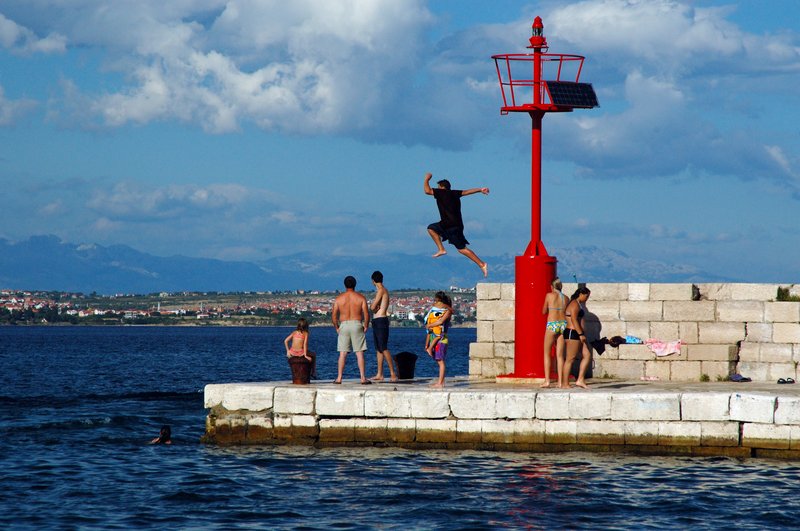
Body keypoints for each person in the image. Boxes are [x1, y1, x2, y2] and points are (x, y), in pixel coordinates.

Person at [423, 172, 490, 277]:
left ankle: (482, 264)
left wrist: (427, 179)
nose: (436, 189)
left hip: (452, 226)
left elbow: (427, 191)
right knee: (431, 228)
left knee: (462, 249)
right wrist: (480, 189)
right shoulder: (454, 193)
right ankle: (441, 249)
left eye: (437, 187)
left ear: (441, 187)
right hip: (449, 224)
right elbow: (467, 192)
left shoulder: (441, 192)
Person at [331, 275, 371, 385]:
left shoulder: (339, 299)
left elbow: (334, 315)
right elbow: (366, 314)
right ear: (355, 284)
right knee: (359, 353)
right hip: (357, 323)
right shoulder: (361, 298)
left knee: (342, 353)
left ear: (344, 285)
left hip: (343, 324)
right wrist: (366, 325)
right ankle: (362, 378)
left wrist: (337, 327)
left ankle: (339, 378)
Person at [369, 271, 397, 382]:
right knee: (378, 349)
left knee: (383, 347)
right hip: (377, 320)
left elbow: (372, 306)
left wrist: (373, 307)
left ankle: (392, 373)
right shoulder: (383, 290)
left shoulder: (381, 290)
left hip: (381, 320)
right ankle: (380, 374)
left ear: (373, 281)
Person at [541, 277, 567, 388]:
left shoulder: (549, 295)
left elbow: (543, 311)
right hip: (563, 325)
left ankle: (547, 381)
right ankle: (560, 382)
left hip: (552, 325)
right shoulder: (566, 298)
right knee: (560, 356)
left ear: (552, 287)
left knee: (546, 354)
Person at [562, 286, 591, 389]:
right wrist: (580, 334)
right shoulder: (574, 304)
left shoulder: (578, 304)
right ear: (581, 294)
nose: (587, 298)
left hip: (577, 333)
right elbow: (574, 320)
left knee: (587, 355)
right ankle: (565, 383)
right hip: (572, 333)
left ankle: (580, 379)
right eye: (586, 296)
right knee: (570, 358)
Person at [424, 291, 453, 388]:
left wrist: (430, 325)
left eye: (437, 301)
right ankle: (441, 381)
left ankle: (440, 383)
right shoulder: (437, 310)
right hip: (436, 337)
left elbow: (440, 321)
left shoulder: (447, 311)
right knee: (438, 360)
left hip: (442, 338)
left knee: (440, 361)